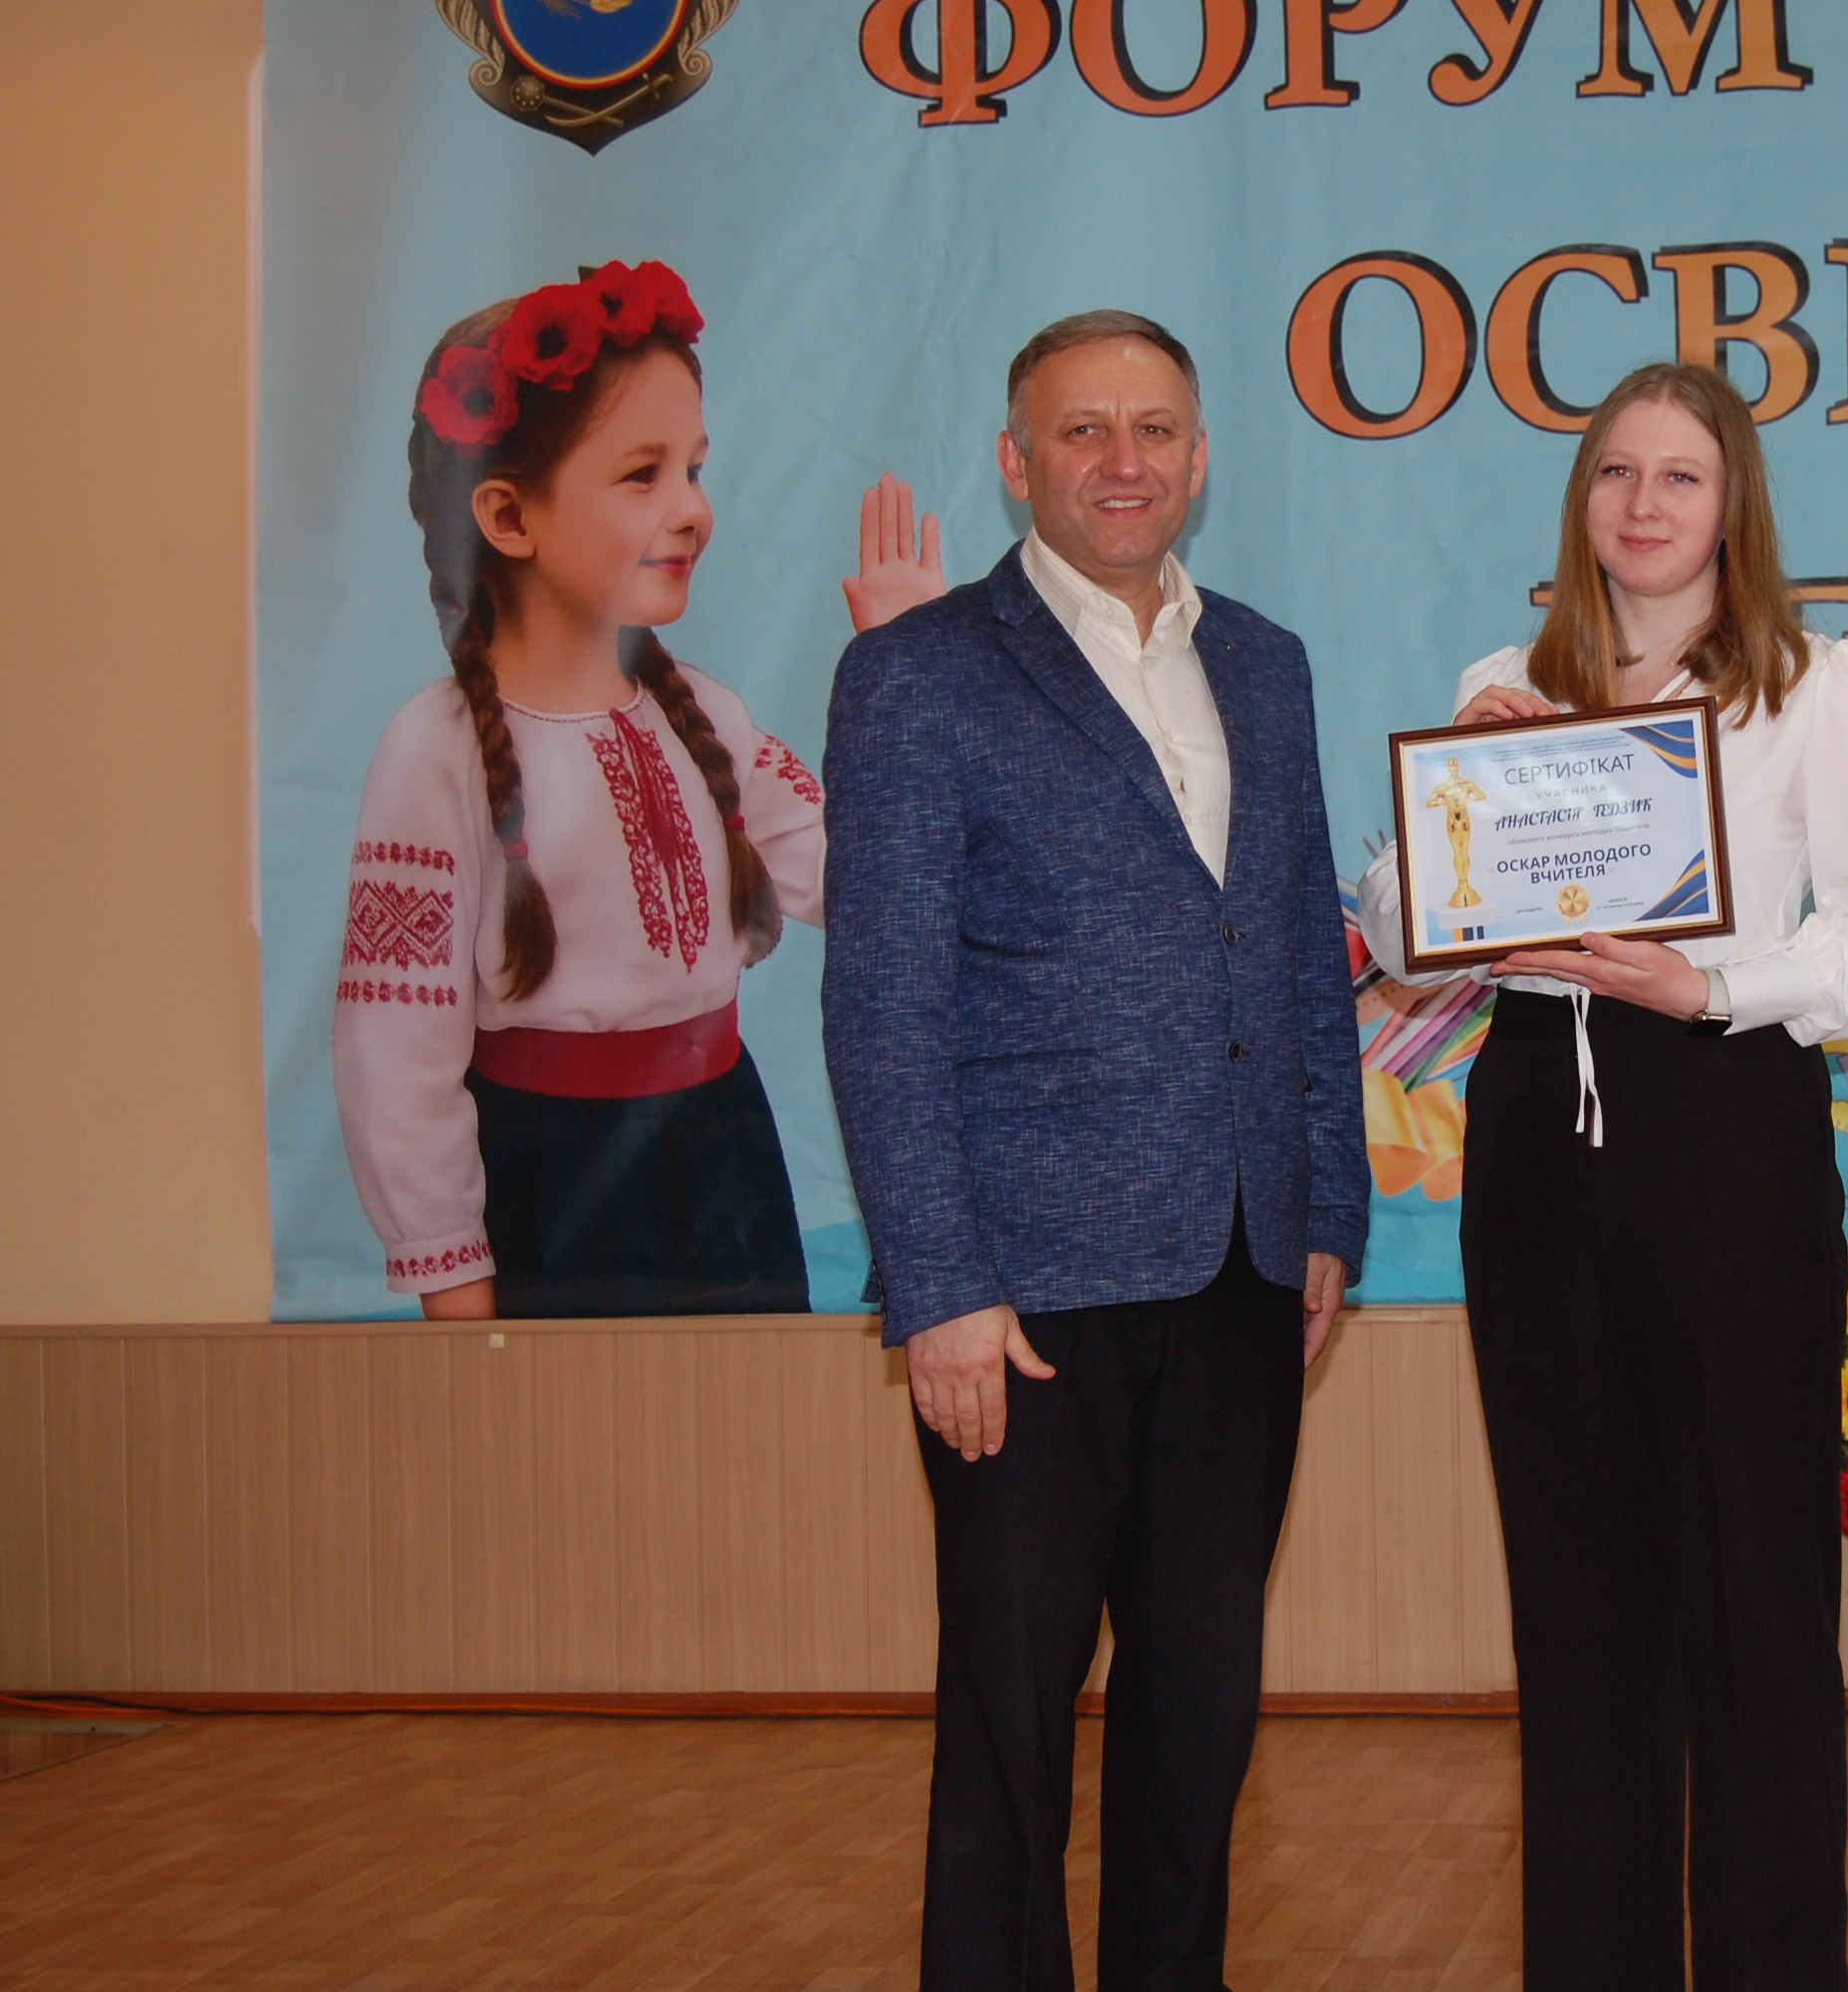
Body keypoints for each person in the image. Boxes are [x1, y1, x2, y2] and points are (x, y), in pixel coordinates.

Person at [1357, 361, 1848, 1991]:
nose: (1641, 503)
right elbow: (1401, 935)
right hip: (1533, 1138)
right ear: (1582, 498)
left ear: (1732, 501)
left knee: (1754, 1594)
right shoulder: (1506, 679)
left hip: (1721, 1118)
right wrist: (1458, 802)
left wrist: (1712, 986)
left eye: (1679, 474)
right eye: (1615, 471)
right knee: (1574, 1594)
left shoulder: (1814, 683)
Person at [820, 310, 1367, 1992]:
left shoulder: (1263, 662)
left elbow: (1296, 950)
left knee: (1199, 1716)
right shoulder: (917, 676)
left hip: (1242, 1272)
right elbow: (881, 1004)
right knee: (1011, 1727)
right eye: (1083, 431)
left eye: (1154, 430)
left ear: (1199, 458)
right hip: (1022, 1303)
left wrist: (1327, 1206)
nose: (1123, 461)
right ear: (1017, 461)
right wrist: (939, 1288)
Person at [335, 261, 823, 1320]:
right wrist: (451, 1274)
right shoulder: (435, 750)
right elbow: (395, 1047)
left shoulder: (707, 714)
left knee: (749, 1421)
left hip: (726, 1150)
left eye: (694, 469)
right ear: (508, 514)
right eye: (642, 475)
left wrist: (906, 677)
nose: (692, 509)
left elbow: (862, 879)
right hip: (546, 1177)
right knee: (572, 1428)